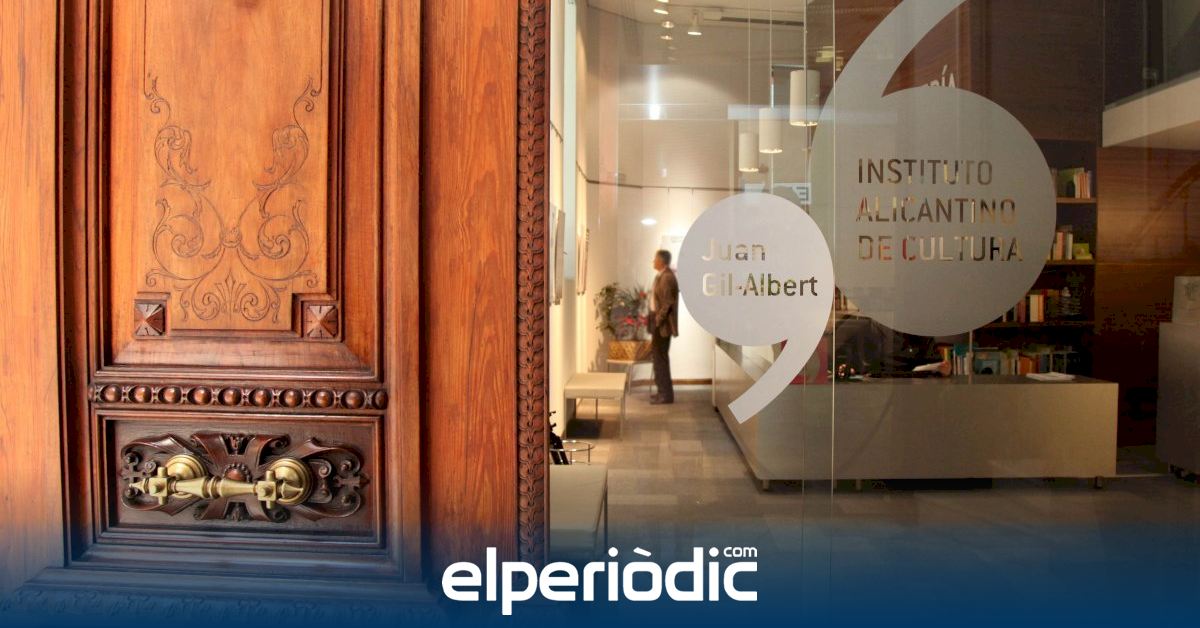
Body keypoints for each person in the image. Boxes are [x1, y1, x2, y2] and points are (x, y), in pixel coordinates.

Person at [649, 249, 679, 404]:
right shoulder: (662, 276)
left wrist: (658, 319)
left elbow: (667, 303)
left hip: (662, 326)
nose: (653, 261)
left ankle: (665, 395)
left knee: (660, 359)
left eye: (655, 258)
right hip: (658, 324)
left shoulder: (666, 277)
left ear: (661, 261)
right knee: (659, 359)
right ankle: (662, 392)